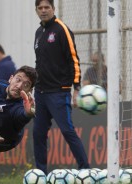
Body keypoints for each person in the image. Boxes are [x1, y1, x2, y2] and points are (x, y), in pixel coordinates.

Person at [33, 0, 90, 175]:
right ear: (36, 10)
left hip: (59, 92)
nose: (43, 11)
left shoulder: (62, 29)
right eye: (40, 8)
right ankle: (41, 174)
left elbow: (74, 59)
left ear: (53, 9)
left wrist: (77, 88)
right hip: (40, 93)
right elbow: (39, 62)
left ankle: (85, 170)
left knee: (67, 131)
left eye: (46, 7)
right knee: (38, 133)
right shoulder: (38, 32)